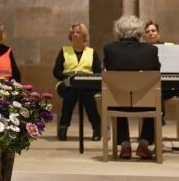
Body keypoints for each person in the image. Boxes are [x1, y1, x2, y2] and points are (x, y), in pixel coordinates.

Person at [101, 15, 160, 160]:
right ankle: (144, 144)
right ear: (139, 31)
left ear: (118, 31)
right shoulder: (150, 50)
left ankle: (125, 145)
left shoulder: (109, 49)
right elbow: (157, 70)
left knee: (117, 93)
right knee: (158, 98)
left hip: (118, 104)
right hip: (145, 104)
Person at [52, 23, 102, 141]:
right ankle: (94, 127)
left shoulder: (92, 52)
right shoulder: (64, 51)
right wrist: (67, 76)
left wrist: (85, 78)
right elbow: (56, 71)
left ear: (83, 35)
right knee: (73, 89)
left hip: (88, 85)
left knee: (86, 94)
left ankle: (94, 128)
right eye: (73, 32)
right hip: (67, 84)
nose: (75, 34)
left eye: (78, 32)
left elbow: (98, 72)